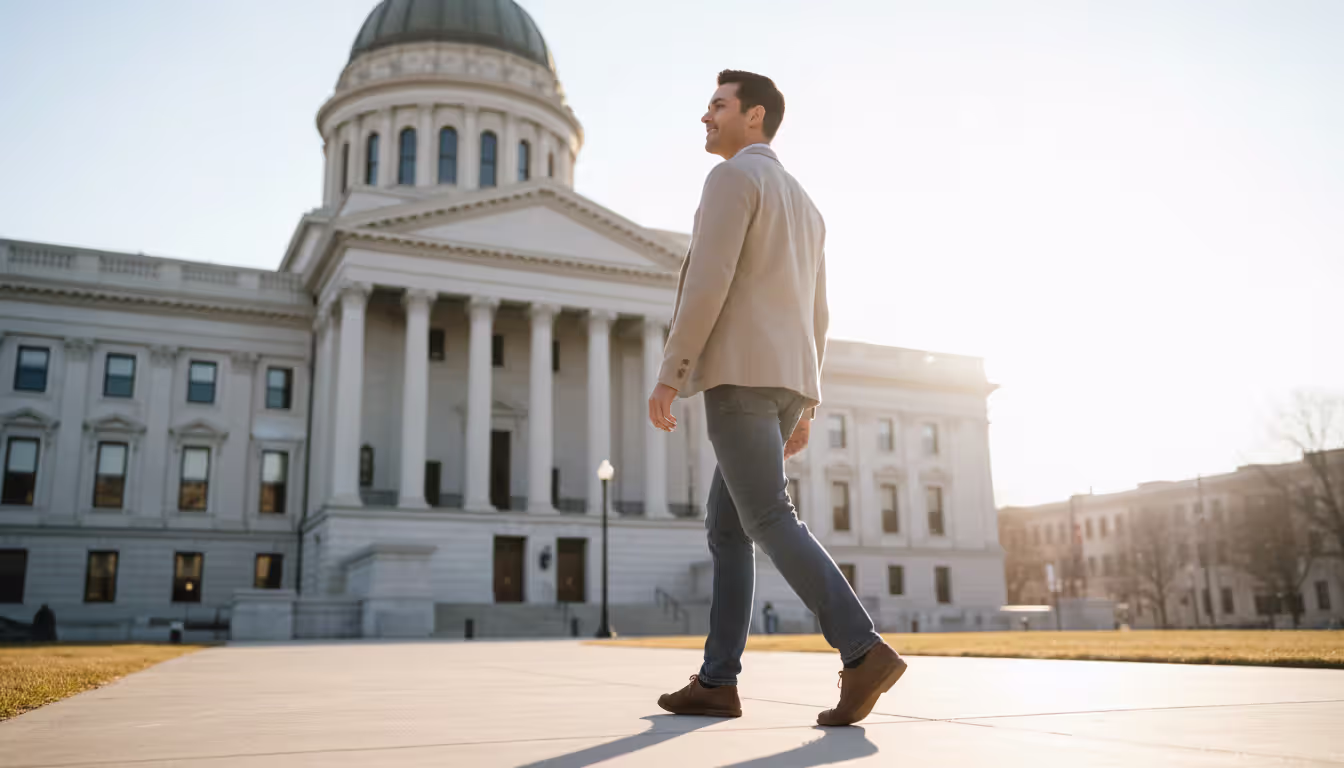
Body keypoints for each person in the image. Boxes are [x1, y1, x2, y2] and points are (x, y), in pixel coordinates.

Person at [648, 70, 905, 727]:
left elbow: (709, 282)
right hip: (788, 380)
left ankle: (862, 649)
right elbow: (819, 312)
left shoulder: (732, 179)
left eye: (717, 105)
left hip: (738, 375)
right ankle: (716, 680)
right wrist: (809, 401)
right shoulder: (806, 203)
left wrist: (672, 369)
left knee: (766, 517)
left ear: (753, 116)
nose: (706, 116)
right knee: (727, 527)